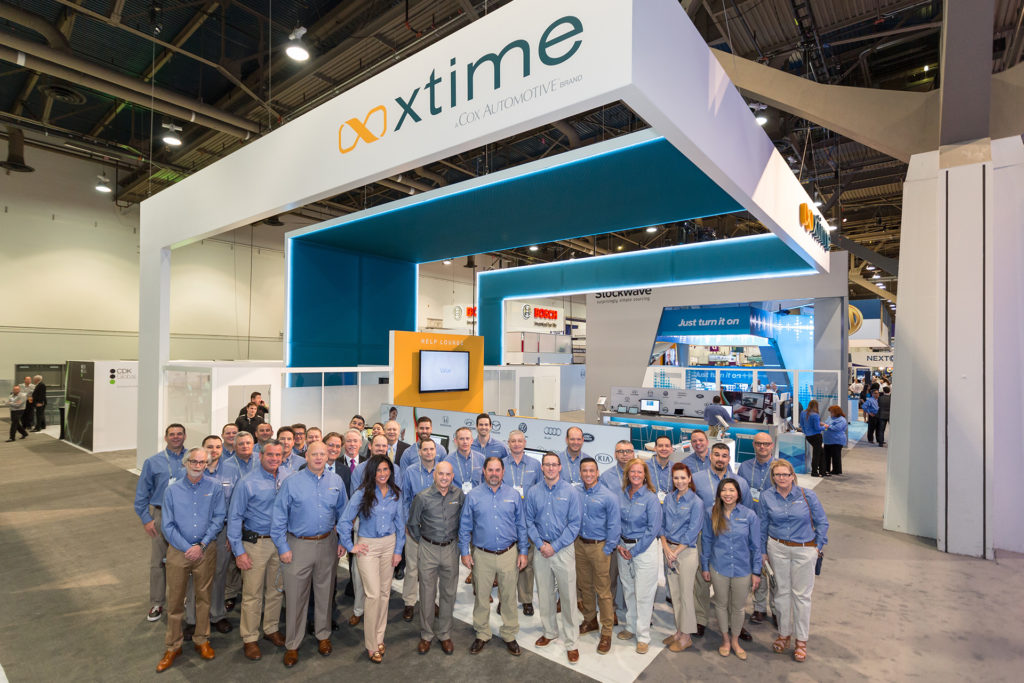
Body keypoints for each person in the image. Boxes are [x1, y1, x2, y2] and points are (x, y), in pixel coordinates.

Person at [271, 441, 349, 668]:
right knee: (296, 596)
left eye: (322, 454)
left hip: (327, 544)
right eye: (314, 453)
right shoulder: (291, 482)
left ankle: (323, 635)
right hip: (298, 545)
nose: (318, 457)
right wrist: (283, 547)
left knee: (325, 592)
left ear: (328, 456)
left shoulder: (336, 481)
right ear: (306, 455)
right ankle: (293, 644)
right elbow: (278, 517)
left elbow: (343, 513)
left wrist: (343, 539)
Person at [156, 447, 226, 672]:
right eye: (194, 462)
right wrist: (188, 548)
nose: (198, 466)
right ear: (186, 463)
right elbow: (167, 525)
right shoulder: (172, 490)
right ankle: (173, 645)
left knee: (203, 598)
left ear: (207, 464)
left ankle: (201, 639)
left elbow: (218, 517)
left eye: (202, 462)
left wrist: (202, 545)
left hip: (205, 550)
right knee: (175, 600)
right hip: (179, 551)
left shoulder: (214, 488)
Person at [759, 459, 829, 663]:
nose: (782, 478)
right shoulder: (766, 497)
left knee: (802, 596)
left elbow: (822, 522)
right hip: (777, 548)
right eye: (777, 475)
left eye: (785, 475)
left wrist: (818, 547)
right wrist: (763, 551)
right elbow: (763, 525)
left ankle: (801, 640)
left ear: (792, 476)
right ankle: (784, 634)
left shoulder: (808, 496)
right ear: (773, 477)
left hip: (804, 549)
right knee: (781, 592)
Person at [338, 455, 406, 663]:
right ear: (372, 472)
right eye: (379, 470)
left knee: (385, 593)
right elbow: (344, 522)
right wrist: (352, 546)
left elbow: (400, 524)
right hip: (368, 547)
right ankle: (371, 644)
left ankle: (379, 637)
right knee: (373, 595)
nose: (383, 474)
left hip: (389, 545)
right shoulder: (362, 494)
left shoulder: (395, 493)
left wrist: (398, 550)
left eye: (386, 470)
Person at [227, 439, 290, 661]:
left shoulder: (287, 477)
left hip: (281, 543)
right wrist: (239, 551)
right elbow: (234, 517)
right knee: (252, 594)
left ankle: (271, 628)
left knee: (276, 589)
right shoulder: (247, 482)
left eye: (278, 455)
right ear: (260, 456)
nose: (274, 459)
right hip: (256, 544)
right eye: (270, 455)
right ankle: (250, 637)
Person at [459, 456, 528, 656]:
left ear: (503, 472)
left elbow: (521, 525)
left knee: (508, 596)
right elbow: (464, 527)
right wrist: (465, 552)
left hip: (509, 553)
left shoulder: (513, 495)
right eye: (490, 470)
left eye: (498, 470)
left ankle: (509, 633)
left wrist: (523, 551)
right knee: (481, 596)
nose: (494, 474)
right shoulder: (473, 495)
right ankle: (482, 633)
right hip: (482, 555)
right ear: (484, 471)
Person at [525, 453, 583, 664]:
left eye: (554, 465)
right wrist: (541, 544)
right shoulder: (533, 492)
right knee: (545, 594)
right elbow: (528, 521)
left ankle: (571, 642)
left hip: (563, 549)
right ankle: (550, 632)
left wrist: (555, 546)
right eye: (546, 465)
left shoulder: (571, 492)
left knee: (568, 597)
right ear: (542, 468)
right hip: (541, 549)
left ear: (560, 468)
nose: (550, 468)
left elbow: (575, 524)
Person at [693, 442, 751, 640]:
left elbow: (748, 510)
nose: (720, 459)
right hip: (705, 535)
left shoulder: (740, 482)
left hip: (732, 538)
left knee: (732, 581)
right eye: (716, 454)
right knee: (702, 579)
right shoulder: (697, 479)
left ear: (729, 459)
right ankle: (700, 619)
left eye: (724, 455)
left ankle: (734, 623)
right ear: (710, 456)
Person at [407, 460, 465, 655]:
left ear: (452, 476)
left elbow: (463, 521)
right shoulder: (422, 497)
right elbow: (413, 524)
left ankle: (445, 634)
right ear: (434, 475)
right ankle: (426, 635)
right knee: (427, 593)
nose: (444, 478)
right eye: (441, 474)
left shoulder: (459, 495)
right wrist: (424, 541)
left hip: (450, 549)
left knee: (449, 594)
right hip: (428, 549)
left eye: (448, 475)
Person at [700, 478, 761, 660]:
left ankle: (735, 640)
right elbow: (707, 541)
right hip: (719, 567)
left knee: (738, 607)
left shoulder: (750, 515)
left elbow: (756, 546)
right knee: (720, 604)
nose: (728, 494)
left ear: (738, 493)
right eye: (724, 490)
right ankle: (725, 640)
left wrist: (756, 572)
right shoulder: (711, 513)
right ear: (719, 493)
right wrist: (705, 566)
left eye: (732, 490)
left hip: (743, 569)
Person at [186, 435, 241, 636]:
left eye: (218, 446)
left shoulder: (232, 470)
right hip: (198, 532)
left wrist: (232, 535)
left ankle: (217, 615)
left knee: (219, 574)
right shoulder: (194, 471)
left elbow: (236, 505)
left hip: (223, 531)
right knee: (196, 575)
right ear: (203, 448)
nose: (215, 449)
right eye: (210, 446)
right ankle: (192, 618)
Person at [134, 423, 187, 622]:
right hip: (161, 515)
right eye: (172, 434)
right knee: (158, 561)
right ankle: (157, 602)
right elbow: (141, 495)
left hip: (186, 517)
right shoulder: (153, 462)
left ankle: (183, 598)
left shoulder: (193, 458)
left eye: (179, 434)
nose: (176, 437)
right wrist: (147, 520)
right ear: (165, 438)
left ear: (185, 436)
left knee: (186, 560)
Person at [615, 458, 663, 654]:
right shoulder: (622, 495)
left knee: (644, 593)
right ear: (627, 474)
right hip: (623, 548)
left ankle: (643, 636)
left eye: (639, 472)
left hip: (643, 550)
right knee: (629, 590)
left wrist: (633, 551)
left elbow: (653, 530)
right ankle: (630, 627)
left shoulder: (651, 498)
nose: (636, 475)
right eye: (632, 472)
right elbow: (615, 521)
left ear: (645, 476)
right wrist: (619, 544)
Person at [575, 457, 620, 655]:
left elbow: (614, 525)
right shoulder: (574, 492)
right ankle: (590, 619)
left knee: (603, 590)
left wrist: (608, 548)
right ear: (580, 473)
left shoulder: (608, 496)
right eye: (584, 471)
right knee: (585, 586)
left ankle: (607, 631)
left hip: (599, 547)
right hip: (579, 545)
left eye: (592, 470)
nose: (588, 474)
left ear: (598, 472)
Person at [660, 463, 704, 653]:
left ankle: (686, 637)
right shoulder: (669, 499)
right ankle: (679, 631)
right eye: (676, 478)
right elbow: (660, 525)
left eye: (683, 478)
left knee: (686, 595)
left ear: (690, 478)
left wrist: (675, 553)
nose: (679, 481)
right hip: (668, 549)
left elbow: (692, 532)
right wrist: (666, 549)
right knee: (675, 594)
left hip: (685, 553)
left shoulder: (696, 502)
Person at [737, 432, 776, 626]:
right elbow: (737, 494)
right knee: (757, 567)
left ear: (772, 445)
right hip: (749, 525)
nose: (762, 447)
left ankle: (777, 609)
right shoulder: (744, 467)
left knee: (775, 569)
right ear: (753, 445)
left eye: (766, 444)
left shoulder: (779, 468)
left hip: (773, 526)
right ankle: (759, 607)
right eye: (759, 444)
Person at [400, 438, 440, 623]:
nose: (429, 452)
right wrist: (408, 523)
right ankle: (409, 602)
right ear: (420, 452)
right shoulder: (410, 471)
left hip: (436, 529)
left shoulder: (443, 470)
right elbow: (405, 499)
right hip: (415, 528)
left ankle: (431, 601)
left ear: (436, 451)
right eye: (425, 449)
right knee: (412, 567)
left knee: (432, 569)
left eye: (432, 449)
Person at [503, 429, 542, 614]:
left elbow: (542, 491)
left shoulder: (535, 464)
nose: (516, 444)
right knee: (507, 563)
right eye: (513, 441)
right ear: (508, 443)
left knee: (527, 562)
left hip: (528, 522)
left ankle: (526, 599)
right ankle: (506, 599)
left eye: (520, 441)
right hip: (506, 521)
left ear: (524, 442)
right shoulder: (501, 465)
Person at [450, 426, 484, 493]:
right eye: (461, 439)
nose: (465, 442)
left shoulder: (481, 459)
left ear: (472, 441)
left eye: (467, 438)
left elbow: (485, 481)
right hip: (456, 500)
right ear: (456, 441)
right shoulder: (448, 461)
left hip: (476, 500)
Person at [800, 401, 825, 477]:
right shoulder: (815, 415)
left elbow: (802, 424)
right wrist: (824, 427)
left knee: (821, 452)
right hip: (816, 436)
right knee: (817, 454)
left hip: (808, 436)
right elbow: (817, 428)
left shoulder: (803, 413)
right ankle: (814, 472)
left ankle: (822, 471)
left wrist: (806, 432)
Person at [822, 406, 848, 476]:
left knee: (836, 456)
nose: (830, 413)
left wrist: (826, 426)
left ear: (836, 412)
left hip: (837, 440)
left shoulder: (842, 420)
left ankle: (836, 470)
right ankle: (826, 469)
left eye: (832, 412)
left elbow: (837, 428)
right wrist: (824, 427)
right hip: (828, 440)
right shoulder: (830, 418)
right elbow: (826, 426)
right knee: (826, 456)